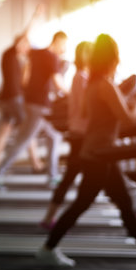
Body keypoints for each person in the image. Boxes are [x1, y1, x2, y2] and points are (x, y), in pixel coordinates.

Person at [36, 34, 136, 267]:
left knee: (124, 202)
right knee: (83, 204)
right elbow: (129, 121)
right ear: (112, 59)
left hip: (100, 153)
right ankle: (48, 247)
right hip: (99, 155)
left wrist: (132, 99)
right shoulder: (105, 85)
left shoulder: (94, 83)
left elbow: (109, 115)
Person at [0, 31, 68, 187]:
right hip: (39, 107)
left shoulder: (37, 53)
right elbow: (58, 84)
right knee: (23, 140)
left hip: (31, 103)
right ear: (59, 41)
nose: (65, 49)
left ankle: (52, 176)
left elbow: (25, 79)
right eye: (65, 45)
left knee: (54, 136)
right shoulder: (52, 57)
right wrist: (74, 94)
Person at [40, 41, 93, 229]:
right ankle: (51, 220)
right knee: (71, 178)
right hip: (82, 135)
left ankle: (49, 218)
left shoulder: (81, 77)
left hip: (81, 134)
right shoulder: (83, 78)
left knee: (71, 178)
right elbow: (87, 109)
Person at [0, 34, 44, 172]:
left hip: (9, 99)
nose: (28, 48)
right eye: (26, 45)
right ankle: (36, 163)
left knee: (4, 130)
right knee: (28, 130)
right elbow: (24, 34)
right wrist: (36, 16)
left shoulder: (18, 60)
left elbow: (24, 83)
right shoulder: (9, 54)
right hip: (14, 99)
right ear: (20, 44)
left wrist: (27, 65)